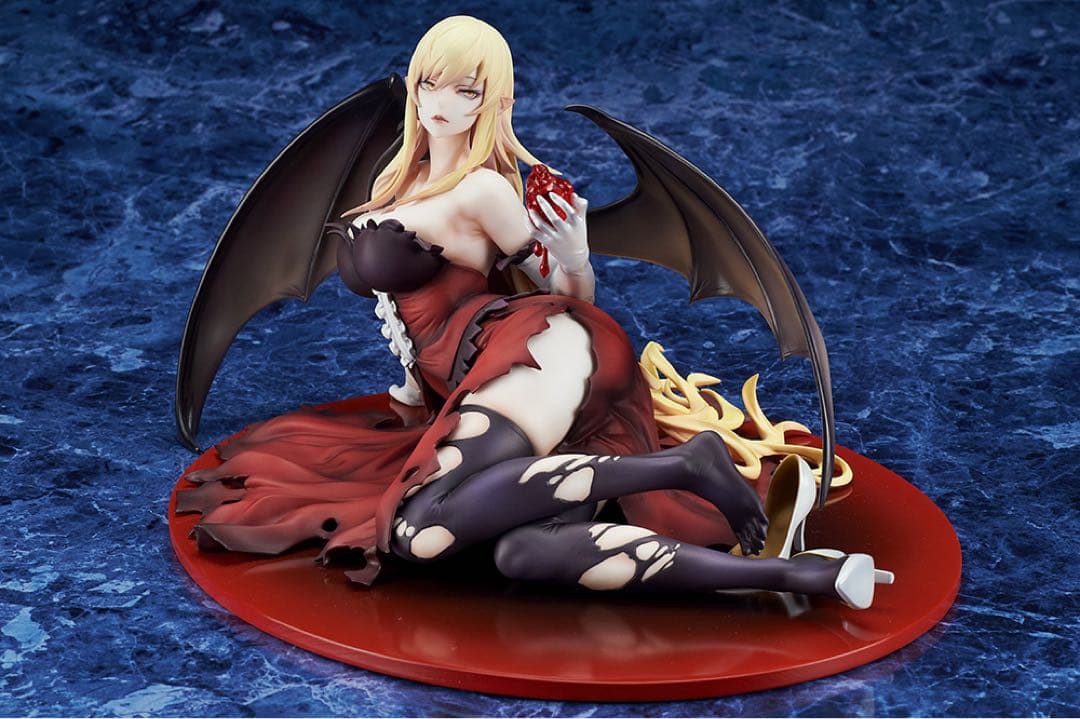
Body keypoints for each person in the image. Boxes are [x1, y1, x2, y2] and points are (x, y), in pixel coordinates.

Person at [178, 15, 884, 609]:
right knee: (523, 552)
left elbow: (567, 298)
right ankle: (797, 577)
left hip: (537, 345)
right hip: (480, 376)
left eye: (466, 89)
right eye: (429, 82)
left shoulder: (485, 191)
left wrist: (574, 254)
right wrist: (414, 393)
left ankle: (686, 465)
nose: (441, 102)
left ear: (493, 101)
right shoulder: (394, 179)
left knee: (417, 529)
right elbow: (410, 316)